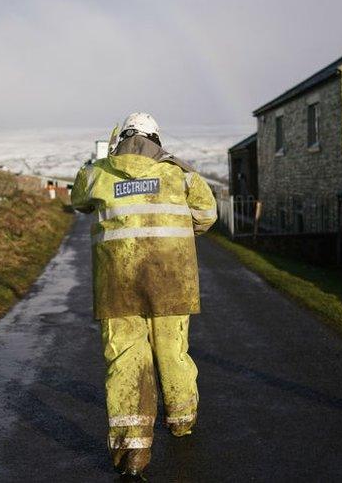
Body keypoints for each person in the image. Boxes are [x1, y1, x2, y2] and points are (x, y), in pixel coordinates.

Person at [71, 112, 217, 478]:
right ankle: (181, 420)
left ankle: (132, 449)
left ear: (120, 137)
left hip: (117, 282)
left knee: (124, 357)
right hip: (171, 279)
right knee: (171, 349)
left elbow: (79, 201)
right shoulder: (181, 174)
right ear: (156, 138)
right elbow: (207, 214)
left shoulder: (96, 172)